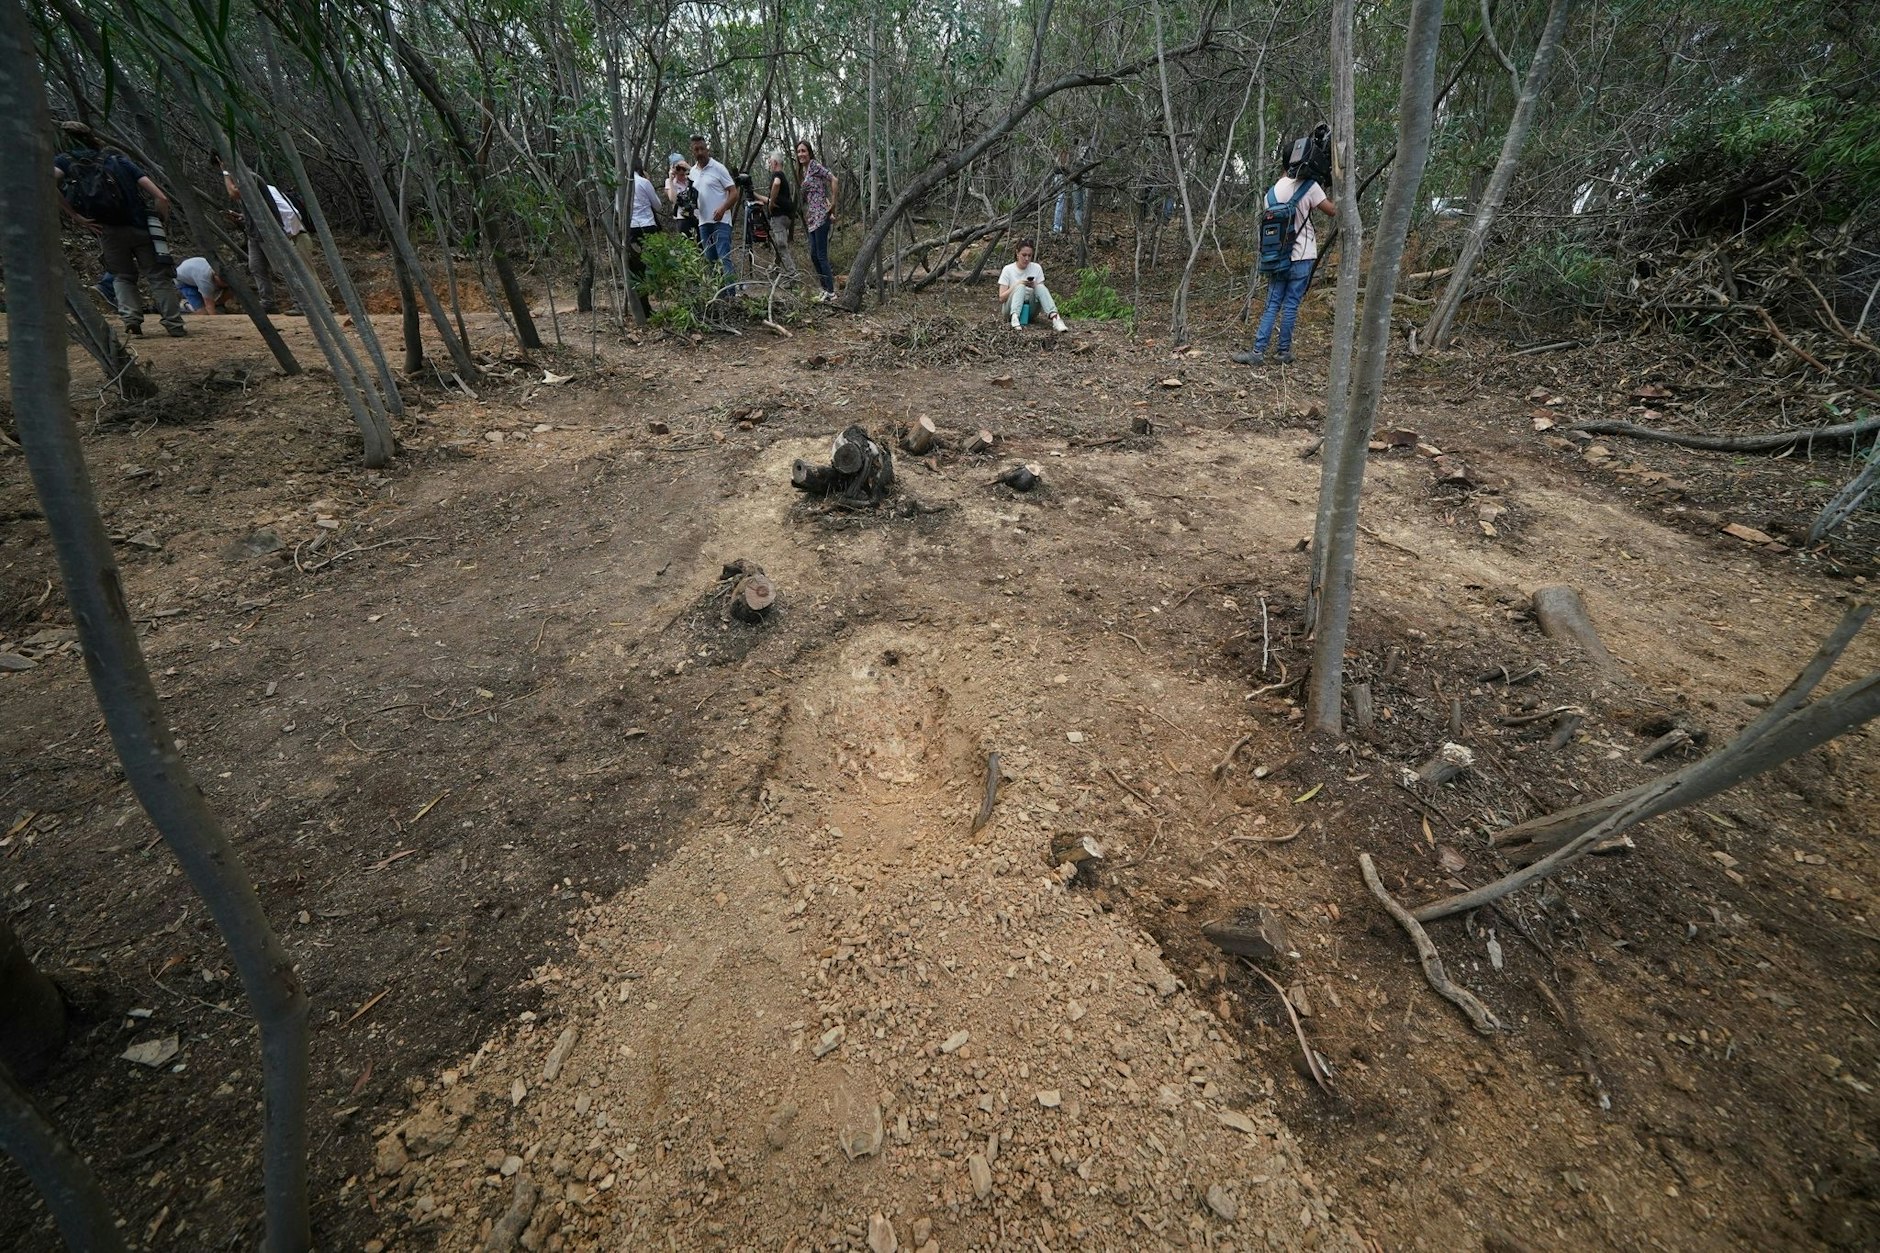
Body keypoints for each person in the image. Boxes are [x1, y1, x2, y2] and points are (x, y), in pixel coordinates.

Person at [52, 146, 186, 337]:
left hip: (108, 230)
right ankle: (174, 324)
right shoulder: (120, 161)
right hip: (141, 226)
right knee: (158, 276)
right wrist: (160, 222)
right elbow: (161, 197)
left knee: (122, 276)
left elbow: (48, 180)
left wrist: (75, 215)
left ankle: (131, 321)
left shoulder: (64, 161)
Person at [1233, 141, 1336, 367]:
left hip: (1276, 257)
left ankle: (1258, 352)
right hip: (1302, 255)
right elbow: (1332, 211)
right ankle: (1283, 352)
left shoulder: (1271, 193)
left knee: (1272, 304)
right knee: (1290, 305)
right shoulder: (1310, 187)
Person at [223, 159, 323, 313]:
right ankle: (268, 303)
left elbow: (234, 194)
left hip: (271, 232)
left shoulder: (252, 179)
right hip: (255, 233)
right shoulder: (249, 187)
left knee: (282, 270)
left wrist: (290, 232)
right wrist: (243, 217)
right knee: (256, 267)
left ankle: (302, 303)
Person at [687, 134, 739, 285]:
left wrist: (723, 209)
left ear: (707, 149)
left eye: (702, 149)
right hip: (703, 222)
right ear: (693, 152)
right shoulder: (693, 172)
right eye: (696, 149)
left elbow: (734, 192)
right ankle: (718, 298)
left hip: (721, 221)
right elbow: (692, 196)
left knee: (724, 257)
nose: (700, 152)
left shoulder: (718, 168)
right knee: (710, 261)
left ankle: (730, 296)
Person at [795, 140, 838, 301]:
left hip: (821, 217)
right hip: (812, 219)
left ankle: (831, 292)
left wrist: (833, 205)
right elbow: (819, 191)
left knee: (820, 255)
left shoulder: (814, 165)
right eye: (798, 151)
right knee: (813, 255)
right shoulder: (805, 171)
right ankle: (824, 289)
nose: (801, 154)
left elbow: (834, 179)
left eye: (803, 151)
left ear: (810, 152)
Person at [997, 239, 1068, 333]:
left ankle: (1055, 318)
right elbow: (1001, 298)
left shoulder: (1036, 268)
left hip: (1030, 308)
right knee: (1020, 286)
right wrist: (1016, 285)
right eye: (1024, 255)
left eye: (1029, 256)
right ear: (1017, 253)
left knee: (1040, 287)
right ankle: (1015, 318)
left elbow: (1042, 294)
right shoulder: (1008, 269)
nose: (1026, 259)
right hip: (1010, 310)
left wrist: (1034, 285)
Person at [756, 151, 800, 285]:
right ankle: (774, 270)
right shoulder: (783, 177)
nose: (769, 165)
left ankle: (793, 276)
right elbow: (772, 199)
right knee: (779, 245)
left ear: (775, 163)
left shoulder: (777, 174)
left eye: (770, 162)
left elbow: (775, 185)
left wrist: (769, 206)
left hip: (779, 218)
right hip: (786, 217)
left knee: (781, 246)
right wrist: (754, 195)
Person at [628, 161, 660, 314]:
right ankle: (657, 293)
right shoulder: (644, 182)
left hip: (632, 229)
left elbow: (617, 208)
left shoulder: (622, 185)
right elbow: (657, 205)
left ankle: (643, 305)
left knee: (637, 267)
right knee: (653, 262)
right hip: (648, 226)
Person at [665, 154, 699, 240]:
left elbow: (703, 182)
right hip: (683, 218)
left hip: (698, 216)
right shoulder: (670, 181)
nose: (681, 171)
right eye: (678, 168)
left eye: (683, 168)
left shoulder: (692, 178)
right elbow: (673, 199)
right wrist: (671, 181)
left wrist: (690, 169)